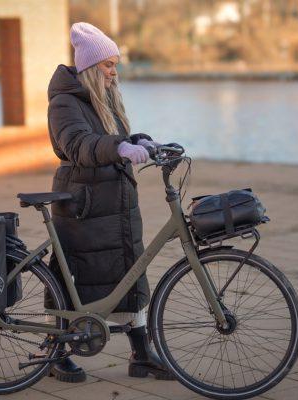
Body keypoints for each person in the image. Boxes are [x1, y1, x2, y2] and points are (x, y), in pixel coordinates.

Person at [45, 22, 173, 383]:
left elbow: (113, 138)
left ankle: (141, 353)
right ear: (89, 66)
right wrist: (119, 148)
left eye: (115, 63)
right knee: (74, 277)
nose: (114, 71)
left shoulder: (104, 98)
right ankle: (54, 352)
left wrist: (140, 142)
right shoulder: (64, 102)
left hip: (115, 202)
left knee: (130, 272)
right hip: (83, 205)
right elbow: (79, 144)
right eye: (107, 64)